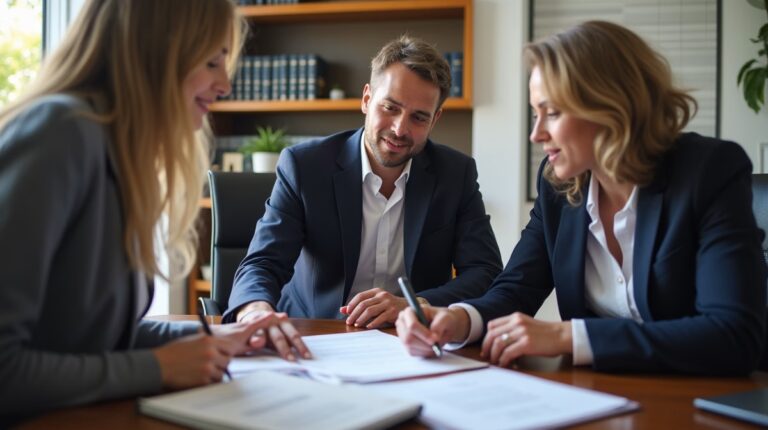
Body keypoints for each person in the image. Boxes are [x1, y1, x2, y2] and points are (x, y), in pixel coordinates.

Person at [396, 20, 767, 375]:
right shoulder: (557, 186)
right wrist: (459, 319)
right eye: (535, 114)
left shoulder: (709, 172)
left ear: (612, 107)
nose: (536, 134)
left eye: (552, 113)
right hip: (598, 392)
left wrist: (569, 337)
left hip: (700, 396)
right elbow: (517, 288)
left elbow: (733, 334)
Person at [0, 0, 307, 420]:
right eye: (212, 62)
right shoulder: (60, 133)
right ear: (156, 50)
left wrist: (217, 334)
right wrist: (158, 368)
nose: (224, 85)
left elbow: (91, 335)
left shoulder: (115, 151)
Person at [225, 35, 502, 331]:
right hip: (316, 330)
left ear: (434, 120)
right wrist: (254, 313)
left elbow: (485, 271)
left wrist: (416, 304)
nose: (400, 129)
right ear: (367, 100)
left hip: (408, 337)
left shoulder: (455, 174)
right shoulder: (305, 166)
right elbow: (263, 263)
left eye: (419, 117)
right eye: (390, 107)